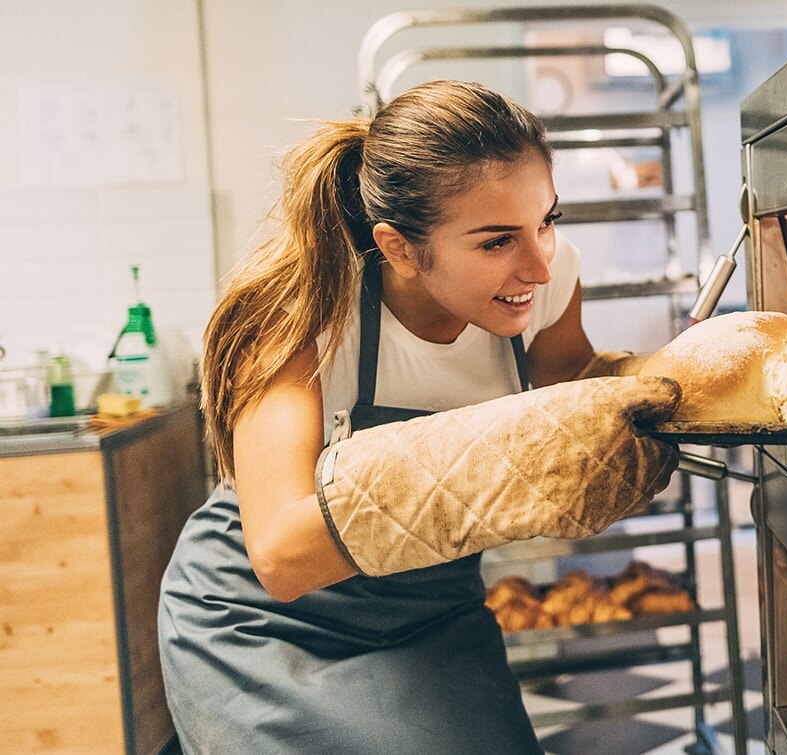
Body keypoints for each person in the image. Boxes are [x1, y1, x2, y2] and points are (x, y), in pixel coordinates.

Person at [159, 80, 678, 754]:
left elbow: (575, 423)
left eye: (547, 221)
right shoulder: (302, 310)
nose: (539, 265)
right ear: (398, 246)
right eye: (497, 241)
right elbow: (282, 555)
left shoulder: (547, 289)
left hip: (436, 606)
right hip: (263, 623)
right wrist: (492, 466)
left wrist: (674, 386)